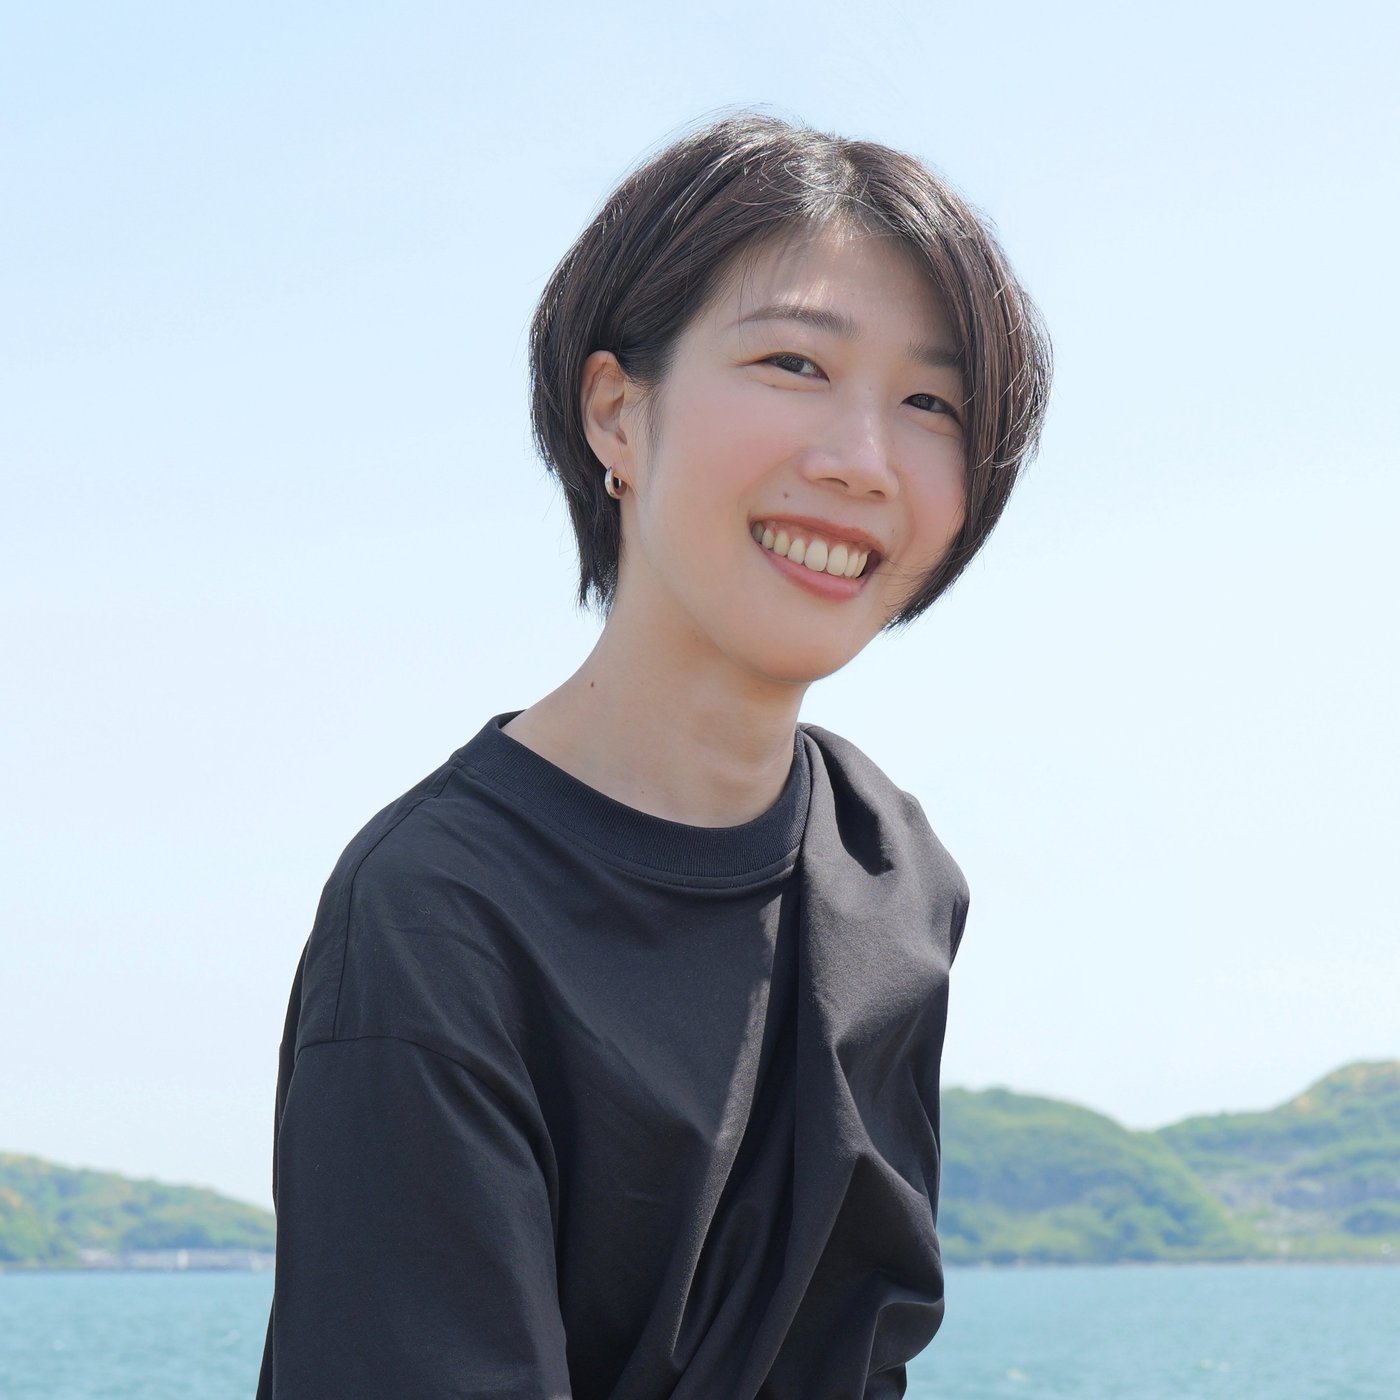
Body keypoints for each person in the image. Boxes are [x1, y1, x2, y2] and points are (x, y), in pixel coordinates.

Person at [256, 109, 1051, 1399]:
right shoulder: (436, 914)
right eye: (794, 363)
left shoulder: (889, 869)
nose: (862, 461)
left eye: (931, 403)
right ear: (618, 415)